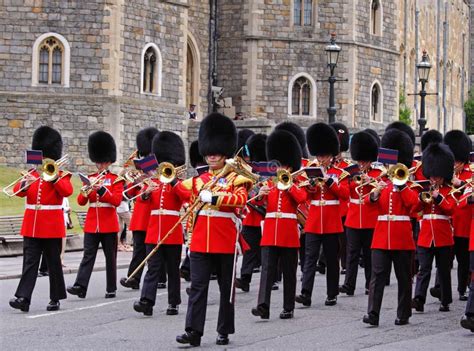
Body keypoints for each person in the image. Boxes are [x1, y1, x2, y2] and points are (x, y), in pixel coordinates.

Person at [175, 113, 253, 347]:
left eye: (216, 151)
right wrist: (166, 181)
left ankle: (224, 330)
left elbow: (240, 200)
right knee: (197, 288)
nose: (211, 155)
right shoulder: (198, 180)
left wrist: (216, 197)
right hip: (200, 240)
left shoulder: (237, 178)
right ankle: (193, 331)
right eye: (209, 151)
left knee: (226, 289)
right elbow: (179, 191)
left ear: (225, 152)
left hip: (225, 239)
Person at [9, 126, 73, 312]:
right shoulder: (32, 175)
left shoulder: (60, 174)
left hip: (51, 225)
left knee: (53, 264)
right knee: (29, 263)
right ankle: (23, 297)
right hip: (31, 225)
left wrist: (53, 178)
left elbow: (67, 191)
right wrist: (24, 183)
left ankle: (55, 298)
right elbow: (17, 193)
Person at [363, 129, 418, 327]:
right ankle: (373, 313)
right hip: (381, 236)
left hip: (402, 237)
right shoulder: (382, 183)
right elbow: (368, 204)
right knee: (377, 277)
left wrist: (401, 186)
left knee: (403, 277)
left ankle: (403, 314)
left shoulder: (409, 184)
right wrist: (374, 194)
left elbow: (414, 205)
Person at [251, 130, 307, 320]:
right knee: (267, 270)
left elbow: (301, 198)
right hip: (270, 231)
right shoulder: (270, 182)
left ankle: (288, 307)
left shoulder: (296, 182)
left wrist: (289, 185)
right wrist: (262, 191)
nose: (280, 169)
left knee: (289, 271)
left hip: (289, 231)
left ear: (291, 167)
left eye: (284, 166)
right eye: (279, 165)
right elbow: (257, 203)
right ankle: (263, 306)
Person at [133, 131, 187, 317]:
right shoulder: (153, 182)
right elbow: (142, 203)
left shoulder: (179, 182)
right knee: (153, 268)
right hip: (154, 231)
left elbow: (187, 197)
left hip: (171, 231)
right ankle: (146, 301)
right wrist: (147, 192)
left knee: (172, 270)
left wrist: (173, 183)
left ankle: (173, 303)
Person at [296, 123, 349, 308]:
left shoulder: (340, 174)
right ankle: (305, 293)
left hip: (331, 221)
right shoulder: (311, 170)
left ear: (332, 155)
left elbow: (344, 194)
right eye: (319, 156)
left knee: (332, 259)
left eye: (324, 156)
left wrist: (329, 182)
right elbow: (307, 195)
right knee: (309, 258)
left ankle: (332, 294)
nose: (321, 159)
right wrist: (311, 187)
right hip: (314, 220)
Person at [67, 131, 124, 299]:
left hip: (108, 223)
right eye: (98, 161)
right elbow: (81, 201)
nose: (100, 165)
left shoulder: (116, 179)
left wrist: (101, 189)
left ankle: (111, 288)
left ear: (109, 161)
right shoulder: (90, 178)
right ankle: (80, 286)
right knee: (88, 255)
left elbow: (116, 200)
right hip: (92, 223)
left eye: (103, 162)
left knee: (110, 258)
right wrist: (86, 191)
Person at [412, 142, 455, 313]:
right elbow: (414, 210)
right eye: (432, 176)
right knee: (424, 269)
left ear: (443, 175)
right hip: (425, 236)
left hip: (443, 235)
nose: (434, 179)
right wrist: (421, 200)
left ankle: (445, 300)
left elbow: (451, 208)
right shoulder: (424, 189)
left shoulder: (449, 191)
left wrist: (438, 198)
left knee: (443, 270)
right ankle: (419, 299)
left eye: (437, 176)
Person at [340, 131, 381, 297]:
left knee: (370, 254)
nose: (361, 163)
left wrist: (371, 183)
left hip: (371, 218)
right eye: (360, 160)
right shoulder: (351, 173)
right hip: (354, 217)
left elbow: (381, 194)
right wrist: (353, 180)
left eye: (364, 160)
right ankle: (349, 284)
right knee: (352, 254)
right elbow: (345, 193)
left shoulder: (377, 174)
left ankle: (369, 284)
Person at [120, 127, 159, 290]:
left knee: (156, 253)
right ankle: (133, 278)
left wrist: (152, 177)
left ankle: (159, 278)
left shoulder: (162, 171)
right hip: (140, 218)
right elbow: (127, 195)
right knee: (139, 251)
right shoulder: (138, 173)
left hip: (155, 217)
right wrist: (136, 182)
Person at [236, 133, 267, 292]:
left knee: (268, 251)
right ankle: (245, 278)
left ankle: (273, 279)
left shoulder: (270, 171)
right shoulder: (247, 172)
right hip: (250, 216)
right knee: (249, 250)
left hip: (265, 216)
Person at [330, 122, 352, 275]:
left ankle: (344, 264)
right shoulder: (325, 166)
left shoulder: (347, 166)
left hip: (343, 206)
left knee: (344, 240)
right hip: (330, 207)